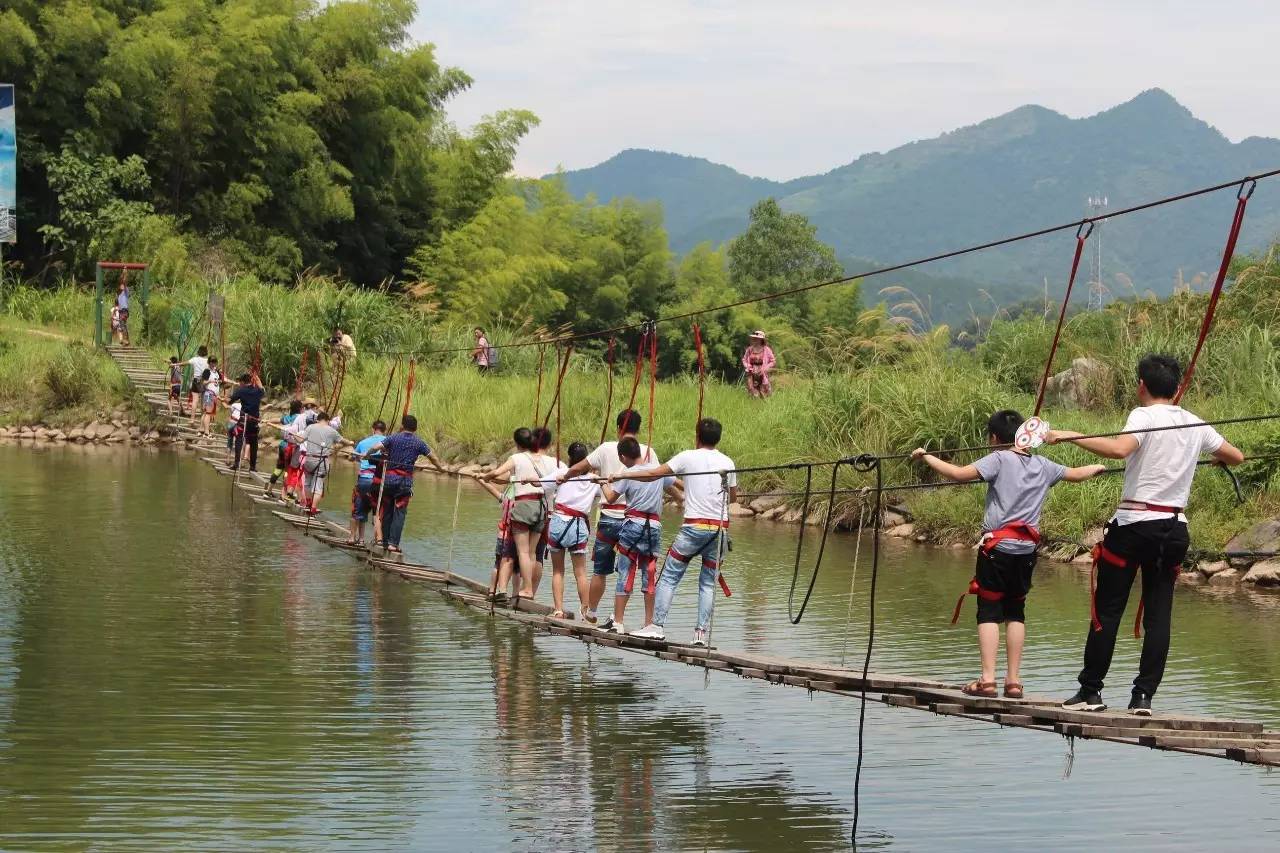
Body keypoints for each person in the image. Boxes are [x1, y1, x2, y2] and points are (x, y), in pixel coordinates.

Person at [1047, 354, 1243, 715]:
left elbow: (1121, 450)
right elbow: (1237, 456)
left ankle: (1090, 692)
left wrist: (1071, 435)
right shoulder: (1195, 423)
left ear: (1141, 385)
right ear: (1176, 387)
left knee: (1106, 610)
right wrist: (1219, 459)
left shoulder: (1143, 415)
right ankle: (1143, 697)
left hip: (1135, 525)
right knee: (1158, 615)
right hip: (1173, 529)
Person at [912, 410, 1106, 699]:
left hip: (996, 549)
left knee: (989, 610)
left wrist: (925, 455)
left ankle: (987, 679)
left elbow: (958, 474)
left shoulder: (998, 459)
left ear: (994, 438)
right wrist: (1098, 466)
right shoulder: (1043, 464)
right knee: (1016, 610)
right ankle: (1013, 681)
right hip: (1026, 551)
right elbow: (1076, 475)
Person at [624, 418, 735, 645]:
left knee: (670, 576)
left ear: (697, 437)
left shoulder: (687, 457)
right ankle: (700, 635)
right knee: (707, 583)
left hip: (694, 528)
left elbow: (654, 474)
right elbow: (732, 498)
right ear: (718, 438)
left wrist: (622, 475)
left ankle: (656, 626)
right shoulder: (728, 462)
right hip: (720, 530)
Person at [559, 410, 662, 625]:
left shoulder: (607, 448)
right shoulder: (648, 452)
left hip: (609, 517)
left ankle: (592, 611)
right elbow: (657, 477)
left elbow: (581, 466)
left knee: (601, 570)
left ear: (618, 428)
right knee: (638, 569)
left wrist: (565, 476)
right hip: (637, 519)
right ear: (639, 428)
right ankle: (642, 621)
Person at [600, 437, 674, 635]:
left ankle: (619, 622)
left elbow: (610, 498)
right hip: (654, 527)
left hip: (633, 524)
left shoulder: (627, 473)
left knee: (625, 571)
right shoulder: (657, 471)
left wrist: (602, 483)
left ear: (623, 457)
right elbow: (677, 490)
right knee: (649, 573)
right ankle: (649, 623)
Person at [483, 428, 556, 602]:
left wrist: (485, 477)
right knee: (533, 554)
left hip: (524, 506)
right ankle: (528, 590)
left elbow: (497, 473)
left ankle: (526, 589)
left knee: (521, 552)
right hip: (543, 508)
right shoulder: (553, 461)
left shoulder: (518, 458)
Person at [378, 414, 447, 554]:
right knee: (400, 513)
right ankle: (393, 544)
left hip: (389, 480)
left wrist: (367, 454)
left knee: (387, 511)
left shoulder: (393, 438)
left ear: (402, 425)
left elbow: (377, 447)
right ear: (415, 428)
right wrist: (440, 468)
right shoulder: (418, 442)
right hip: (404, 482)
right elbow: (432, 456)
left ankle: (385, 542)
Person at [546, 441, 599, 619]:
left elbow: (543, 486)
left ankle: (558, 610)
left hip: (559, 521)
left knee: (558, 571)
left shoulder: (562, 473)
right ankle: (585, 611)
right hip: (578, 525)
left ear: (570, 457)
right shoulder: (594, 480)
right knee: (581, 572)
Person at [348, 420, 388, 546]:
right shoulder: (388, 442)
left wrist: (357, 457)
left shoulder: (363, 442)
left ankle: (355, 538)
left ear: (373, 429)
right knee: (377, 512)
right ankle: (378, 540)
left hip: (364, 479)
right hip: (380, 482)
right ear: (384, 430)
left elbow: (352, 457)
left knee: (358, 509)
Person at [298, 411, 342, 515]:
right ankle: (313, 508)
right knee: (318, 486)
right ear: (327, 420)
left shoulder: (310, 427)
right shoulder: (332, 431)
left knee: (308, 483)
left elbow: (300, 440)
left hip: (308, 460)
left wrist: (293, 435)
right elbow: (341, 440)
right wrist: (350, 443)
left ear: (317, 419)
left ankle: (308, 503)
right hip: (322, 462)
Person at [266, 400, 304, 499]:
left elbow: (278, 420)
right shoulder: (299, 418)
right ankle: (284, 495)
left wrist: (268, 421)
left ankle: (268, 490)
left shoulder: (288, 417)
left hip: (282, 445)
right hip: (291, 447)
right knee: (288, 471)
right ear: (300, 409)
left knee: (278, 469)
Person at [228, 372, 265, 472]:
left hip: (244, 421)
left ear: (243, 382)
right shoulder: (258, 390)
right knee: (253, 443)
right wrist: (258, 380)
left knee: (239, 439)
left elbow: (229, 401)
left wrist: (223, 400)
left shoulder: (241, 390)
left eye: (240, 382)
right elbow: (262, 389)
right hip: (254, 422)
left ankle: (236, 464)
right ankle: (252, 467)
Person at [742, 331, 776, 399]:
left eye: (757, 338)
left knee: (764, 393)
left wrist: (766, 368)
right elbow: (744, 360)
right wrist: (747, 366)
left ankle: (764, 407)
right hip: (751, 373)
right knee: (752, 391)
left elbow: (773, 361)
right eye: (754, 338)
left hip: (762, 374)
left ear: (761, 340)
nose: (754, 339)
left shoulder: (766, 349)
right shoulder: (749, 349)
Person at [184, 346, 210, 424]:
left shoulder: (195, 359)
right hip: (204, 382)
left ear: (199, 351)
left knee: (195, 401)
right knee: (203, 402)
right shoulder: (207, 361)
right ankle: (202, 421)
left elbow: (184, 363)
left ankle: (192, 419)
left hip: (196, 381)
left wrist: (175, 364)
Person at [200, 357, 223, 436]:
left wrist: (219, 380)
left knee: (206, 413)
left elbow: (221, 380)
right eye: (212, 362)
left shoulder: (216, 372)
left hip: (214, 394)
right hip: (209, 393)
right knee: (208, 413)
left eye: (215, 362)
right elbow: (203, 382)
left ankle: (201, 429)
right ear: (209, 362)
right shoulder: (207, 371)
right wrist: (210, 381)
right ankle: (206, 432)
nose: (213, 363)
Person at [225, 399, 243, 465]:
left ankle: (228, 460)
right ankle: (240, 462)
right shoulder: (246, 407)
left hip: (231, 423)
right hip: (238, 425)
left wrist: (222, 400)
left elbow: (228, 408)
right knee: (239, 443)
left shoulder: (235, 404)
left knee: (229, 441)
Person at [115, 279, 130, 345]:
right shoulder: (119, 296)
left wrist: (125, 272)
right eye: (121, 285)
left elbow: (125, 282)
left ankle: (126, 340)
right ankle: (123, 340)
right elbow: (117, 304)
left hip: (124, 311)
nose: (122, 286)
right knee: (121, 325)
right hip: (121, 312)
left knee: (122, 324)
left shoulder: (125, 292)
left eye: (123, 285)